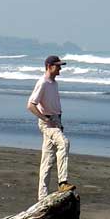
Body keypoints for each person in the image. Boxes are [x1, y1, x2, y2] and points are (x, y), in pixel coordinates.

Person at [27, 55, 76, 200]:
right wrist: (46, 119)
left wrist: (58, 122)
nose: (60, 69)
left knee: (47, 160)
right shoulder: (43, 82)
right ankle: (62, 182)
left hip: (56, 121)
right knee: (64, 143)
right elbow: (31, 105)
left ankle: (42, 197)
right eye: (58, 66)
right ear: (49, 66)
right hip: (48, 122)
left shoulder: (54, 83)